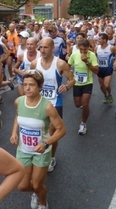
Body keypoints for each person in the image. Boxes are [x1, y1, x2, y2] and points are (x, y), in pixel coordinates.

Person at [10, 70, 66, 209]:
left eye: (32, 85)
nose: (27, 88)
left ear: (40, 87)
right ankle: (36, 192)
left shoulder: (47, 107)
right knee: (22, 186)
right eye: (25, 84)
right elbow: (18, 116)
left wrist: (46, 143)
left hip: (41, 151)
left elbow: (62, 130)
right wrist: (14, 132)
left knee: (36, 184)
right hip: (23, 150)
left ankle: (42, 201)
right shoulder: (19, 101)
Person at [30, 37, 74, 172]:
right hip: (38, 102)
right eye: (40, 47)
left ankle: (52, 157)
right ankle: (37, 152)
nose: (42, 50)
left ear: (52, 48)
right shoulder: (34, 63)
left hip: (55, 102)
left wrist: (66, 86)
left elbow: (72, 80)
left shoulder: (60, 64)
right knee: (37, 130)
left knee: (52, 133)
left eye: (46, 47)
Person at [68, 39, 99, 135]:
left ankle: (83, 124)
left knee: (85, 104)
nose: (83, 51)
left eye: (85, 49)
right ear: (78, 47)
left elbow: (96, 71)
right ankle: (84, 107)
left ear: (88, 48)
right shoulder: (74, 55)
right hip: (77, 83)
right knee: (78, 105)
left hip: (87, 82)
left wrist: (87, 62)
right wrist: (69, 77)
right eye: (81, 49)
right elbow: (67, 66)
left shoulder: (92, 55)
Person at [95, 32, 116, 104]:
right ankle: (105, 95)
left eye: (100, 39)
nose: (98, 40)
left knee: (106, 85)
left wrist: (115, 62)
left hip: (108, 69)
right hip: (100, 69)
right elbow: (95, 57)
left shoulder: (111, 48)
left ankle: (109, 94)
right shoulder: (96, 48)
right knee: (102, 86)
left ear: (104, 40)